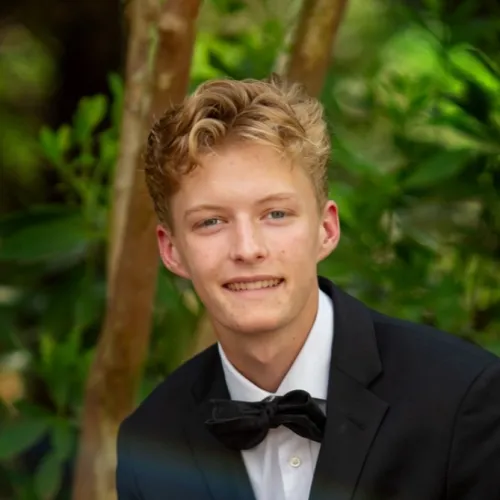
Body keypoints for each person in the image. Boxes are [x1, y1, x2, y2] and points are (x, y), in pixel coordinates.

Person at [116, 74, 500, 500]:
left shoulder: (463, 398)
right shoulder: (149, 441)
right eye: (211, 221)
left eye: (276, 214)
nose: (248, 248)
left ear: (326, 229)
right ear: (171, 251)